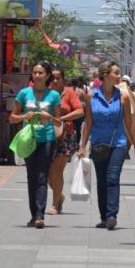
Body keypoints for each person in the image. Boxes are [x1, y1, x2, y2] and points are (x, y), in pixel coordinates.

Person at [78, 61, 135, 230]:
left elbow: (129, 124)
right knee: (102, 181)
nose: (119, 76)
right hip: (99, 144)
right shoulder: (91, 96)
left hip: (118, 144)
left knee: (112, 178)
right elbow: (88, 123)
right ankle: (104, 217)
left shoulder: (123, 97)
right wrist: (82, 146)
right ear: (106, 75)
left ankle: (112, 215)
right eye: (116, 72)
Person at [10, 60, 62, 229]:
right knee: (31, 177)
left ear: (47, 76)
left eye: (40, 73)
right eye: (35, 73)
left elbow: (59, 122)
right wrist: (24, 117)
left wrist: (49, 117)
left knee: (42, 176)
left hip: (47, 139)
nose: (37, 76)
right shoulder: (24, 94)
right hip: (29, 140)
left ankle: (40, 215)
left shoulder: (53, 96)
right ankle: (34, 215)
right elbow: (12, 117)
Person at [47, 66, 84, 215]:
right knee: (47, 173)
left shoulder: (69, 93)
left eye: (58, 77)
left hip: (65, 135)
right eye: (53, 77)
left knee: (57, 170)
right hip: (48, 135)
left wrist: (62, 118)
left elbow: (80, 110)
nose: (55, 80)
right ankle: (59, 195)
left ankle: (55, 205)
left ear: (63, 79)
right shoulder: (46, 92)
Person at [71, 77, 86, 147]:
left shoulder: (69, 91)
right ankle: (77, 143)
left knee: (73, 128)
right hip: (80, 112)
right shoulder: (81, 91)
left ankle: (74, 142)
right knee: (78, 128)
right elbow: (85, 102)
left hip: (72, 112)